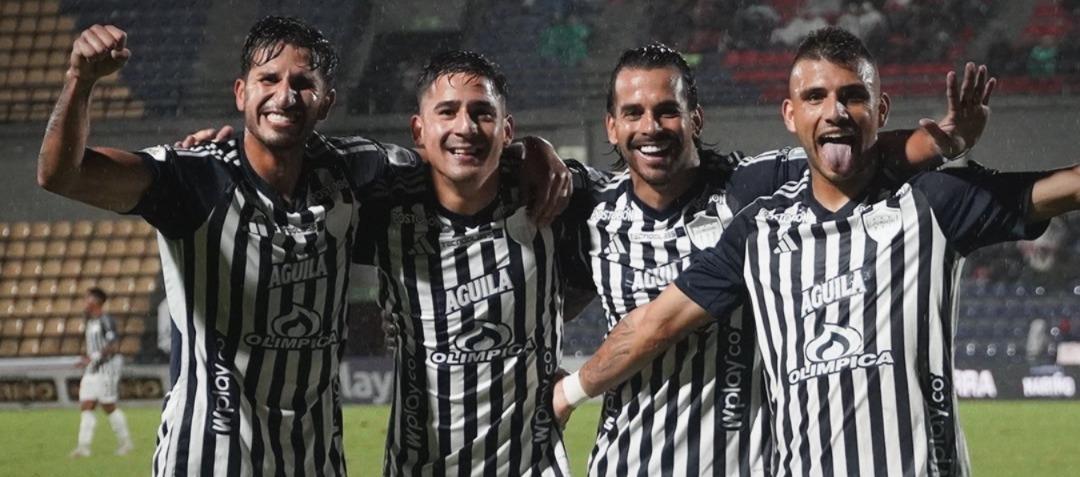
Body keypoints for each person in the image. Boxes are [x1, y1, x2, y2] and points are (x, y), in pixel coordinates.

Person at [37, 17, 568, 475]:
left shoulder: (358, 171)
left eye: (303, 82)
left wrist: (528, 149)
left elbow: (457, 159)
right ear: (241, 92)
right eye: (268, 79)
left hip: (314, 459)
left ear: (327, 100)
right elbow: (65, 175)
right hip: (208, 456)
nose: (285, 95)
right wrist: (80, 81)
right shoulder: (192, 178)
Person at [554, 27, 1080, 476]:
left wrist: (944, 140)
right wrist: (569, 391)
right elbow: (654, 323)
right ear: (789, 113)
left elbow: (1058, 187)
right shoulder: (756, 231)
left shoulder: (929, 203)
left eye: (853, 96)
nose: (835, 112)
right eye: (816, 98)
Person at [355, 50, 581, 476]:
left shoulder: (554, 199)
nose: (465, 127)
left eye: (482, 112)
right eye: (448, 111)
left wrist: (540, 148)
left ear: (506, 130)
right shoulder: (381, 209)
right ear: (418, 131)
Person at [70, 287, 134, 458]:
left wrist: (94, 357)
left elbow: (113, 345)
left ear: (95, 302)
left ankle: (126, 442)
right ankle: (83, 447)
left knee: (108, 406)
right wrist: (87, 358)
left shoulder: (106, 320)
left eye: (87, 299)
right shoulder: (90, 322)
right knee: (86, 405)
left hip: (107, 369)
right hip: (93, 368)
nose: (85, 303)